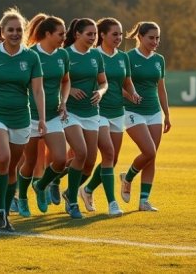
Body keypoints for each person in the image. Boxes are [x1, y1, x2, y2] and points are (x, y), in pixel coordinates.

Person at [0, 7, 46, 231]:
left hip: (21, 117)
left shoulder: (31, 57)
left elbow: (38, 90)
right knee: (2, 157)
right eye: (10, 30)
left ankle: (3, 211)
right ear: (2, 32)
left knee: (12, 166)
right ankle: (1, 210)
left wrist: (41, 118)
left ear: (23, 31)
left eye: (18, 30)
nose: (14, 33)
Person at [79, 17, 140, 217]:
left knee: (111, 160)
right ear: (102, 35)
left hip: (117, 112)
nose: (119, 37)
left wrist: (132, 93)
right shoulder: (93, 55)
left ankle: (85, 191)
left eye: (121, 34)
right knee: (108, 152)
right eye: (115, 34)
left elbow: (127, 82)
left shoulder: (123, 57)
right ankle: (112, 203)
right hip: (97, 112)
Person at [52, 18, 107, 219]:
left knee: (90, 162)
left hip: (92, 113)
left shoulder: (96, 56)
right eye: (89, 34)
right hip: (70, 112)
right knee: (81, 153)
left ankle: (62, 187)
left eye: (95, 34)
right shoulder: (65, 54)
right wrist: (69, 89)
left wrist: (100, 92)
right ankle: (72, 201)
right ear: (77, 34)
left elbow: (104, 82)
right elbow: (54, 81)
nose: (93, 38)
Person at [17, 13, 69, 217]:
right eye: (61, 33)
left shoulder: (62, 55)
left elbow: (66, 81)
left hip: (53, 115)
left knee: (60, 160)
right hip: (30, 117)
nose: (64, 37)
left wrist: (63, 101)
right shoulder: (30, 54)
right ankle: (21, 197)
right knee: (29, 162)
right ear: (47, 34)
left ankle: (41, 185)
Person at [119, 21, 171, 212]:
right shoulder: (127, 58)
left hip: (154, 112)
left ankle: (143, 201)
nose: (155, 41)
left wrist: (167, 114)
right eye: (151, 37)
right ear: (139, 37)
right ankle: (128, 177)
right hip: (132, 111)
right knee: (149, 151)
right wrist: (129, 95)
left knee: (152, 157)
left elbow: (161, 89)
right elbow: (119, 85)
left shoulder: (159, 60)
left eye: (157, 38)